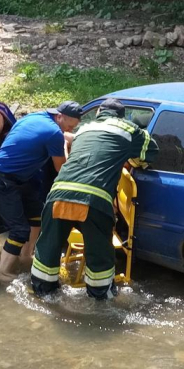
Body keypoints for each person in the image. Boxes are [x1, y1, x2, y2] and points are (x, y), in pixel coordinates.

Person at [30, 98, 159, 300]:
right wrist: (130, 158)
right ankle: (100, 301)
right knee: (99, 255)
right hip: (93, 201)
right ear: (121, 116)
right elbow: (151, 153)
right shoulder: (130, 129)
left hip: (57, 195)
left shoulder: (84, 128)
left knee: (48, 247)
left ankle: (41, 292)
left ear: (99, 111)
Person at [0, 101, 83, 281]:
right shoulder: (54, 134)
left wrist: (75, 138)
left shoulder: (36, 116)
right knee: (19, 230)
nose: (69, 129)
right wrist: (66, 148)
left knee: (37, 215)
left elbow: (59, 134)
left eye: (74, 127)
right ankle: (1, 272)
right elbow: (61, 168)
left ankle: (26, 256)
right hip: (0, 180)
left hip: (15, 178)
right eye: (69, 126)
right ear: (59, 117)